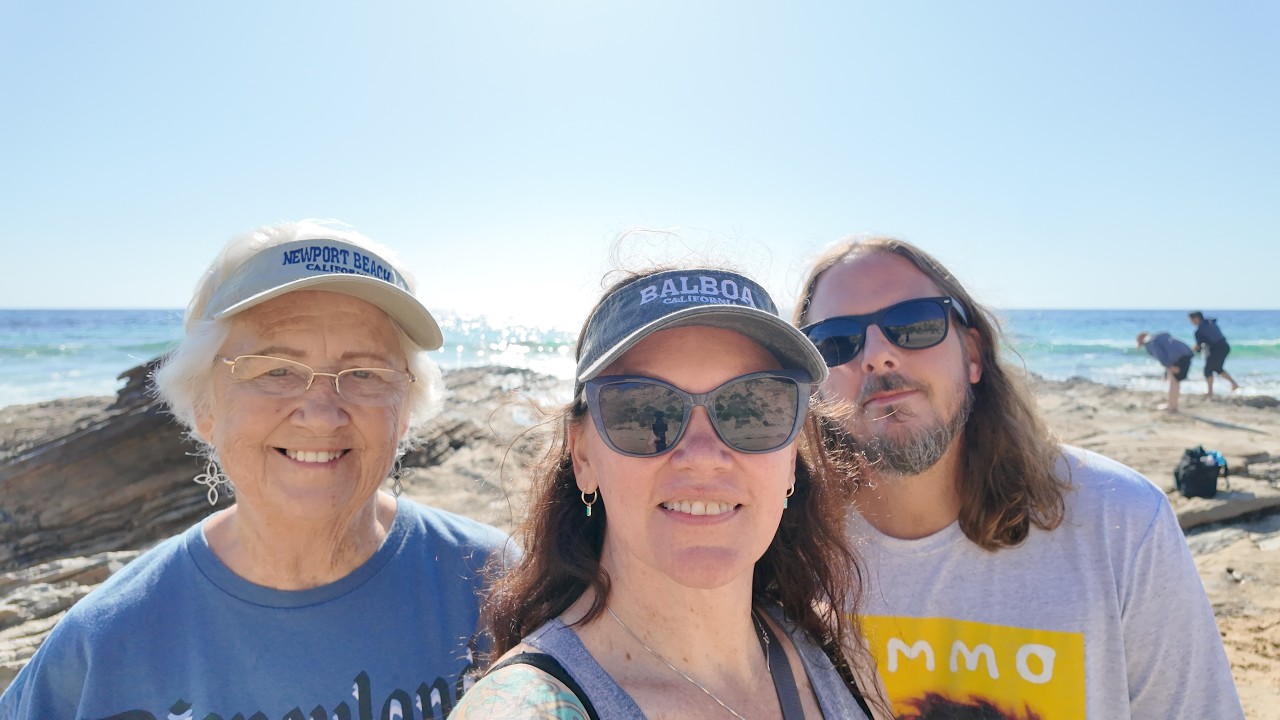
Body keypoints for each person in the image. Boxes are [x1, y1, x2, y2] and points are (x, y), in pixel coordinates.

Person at [0, 220, 512, 720]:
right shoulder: (107, 645)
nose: (321, 413)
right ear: (204, 404)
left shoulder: (499, 584)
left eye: (363, 373)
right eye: (276, 370)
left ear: (405, 408)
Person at [794, 237, 1242, 718]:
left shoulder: (1120, 519)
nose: (878, 356)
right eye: (835, 341)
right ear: (812, 385)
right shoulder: (785, 549)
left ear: (972, 355)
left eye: (914, 323)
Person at [451, 266, 879, 719]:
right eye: (643, 409)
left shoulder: (830, 648)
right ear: (583, 458)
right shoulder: (527, 709)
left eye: (754, 409)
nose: (702, 455)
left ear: (792, 457)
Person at [1137, 330, 1194, 412]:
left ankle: (1172, 406)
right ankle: (1173, 405)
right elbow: (1167, 351)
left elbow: (1159, 354)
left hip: (1178, 357)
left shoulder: (1150, 342)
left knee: (1174, 382)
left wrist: (1169, 366)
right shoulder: (1158, 338)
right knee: (1175, 381)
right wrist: (1167, 370)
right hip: (1185, 353)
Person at [1189, 311, 1241, 397]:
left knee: (1208, 370)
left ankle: (1210, 392)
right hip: (1225, 346)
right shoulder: (1210, 322)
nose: (1191, 322)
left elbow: (1199, 345)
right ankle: (1234, 384)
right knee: (1217, 368)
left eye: (1191, 320)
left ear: (1196, 318)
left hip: (1217, 349)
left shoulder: (1200, 330)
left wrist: (1190, 351)